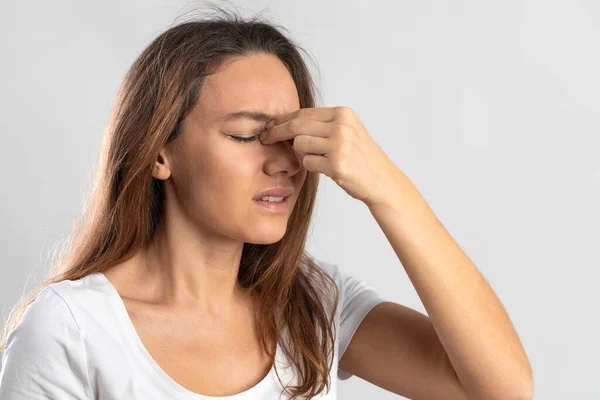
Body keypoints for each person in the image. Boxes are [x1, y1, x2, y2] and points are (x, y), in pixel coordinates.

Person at [0, 5, 533, 400]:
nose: (285, 163)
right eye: (245, 136)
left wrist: (388, 188)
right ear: (159, 152)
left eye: (290, 137)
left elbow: (503, 389)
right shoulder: (73, 329)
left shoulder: (310, 305)